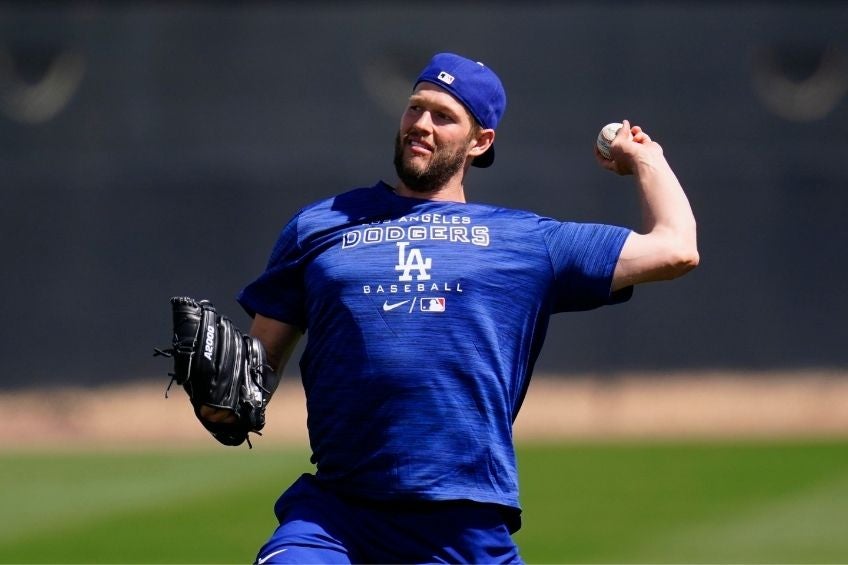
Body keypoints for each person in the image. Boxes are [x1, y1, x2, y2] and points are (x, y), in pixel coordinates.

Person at [225, 52, 698, 563]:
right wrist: (221, 405)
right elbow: (254, 373)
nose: (421, 126)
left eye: (443, 116)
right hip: (335, 517)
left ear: (480, 141)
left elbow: (676, 248)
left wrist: (646, 159)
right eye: (415, 109)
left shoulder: (525, 242)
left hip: (461, 525)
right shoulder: (320, 226)